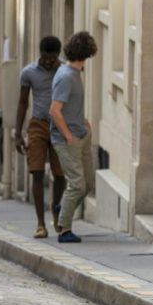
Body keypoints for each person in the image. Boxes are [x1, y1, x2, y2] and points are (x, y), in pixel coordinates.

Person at [14, 35, 66, 238]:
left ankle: (55, 208)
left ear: (58, 56)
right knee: (36, 171)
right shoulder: (28, 72)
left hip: (59, 125)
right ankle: (40, 223)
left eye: (52, 58)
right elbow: (22, 103)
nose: (48, 61)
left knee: (60, 174)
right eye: (45, 57)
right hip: (37, 124)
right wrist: (18, 134)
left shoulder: (64, 71)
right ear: (40, 54)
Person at [49, 31, 98, 244]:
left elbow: (69, 106)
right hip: (67, 139)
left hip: (81, 134)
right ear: (85, 54)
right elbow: (55, 110)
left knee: (87, 184)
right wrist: (68, 136)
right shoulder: (67, 76)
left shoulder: (73, 73)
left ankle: (63, 210)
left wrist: (84, 121)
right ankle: (64, 230)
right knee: (77, 184)